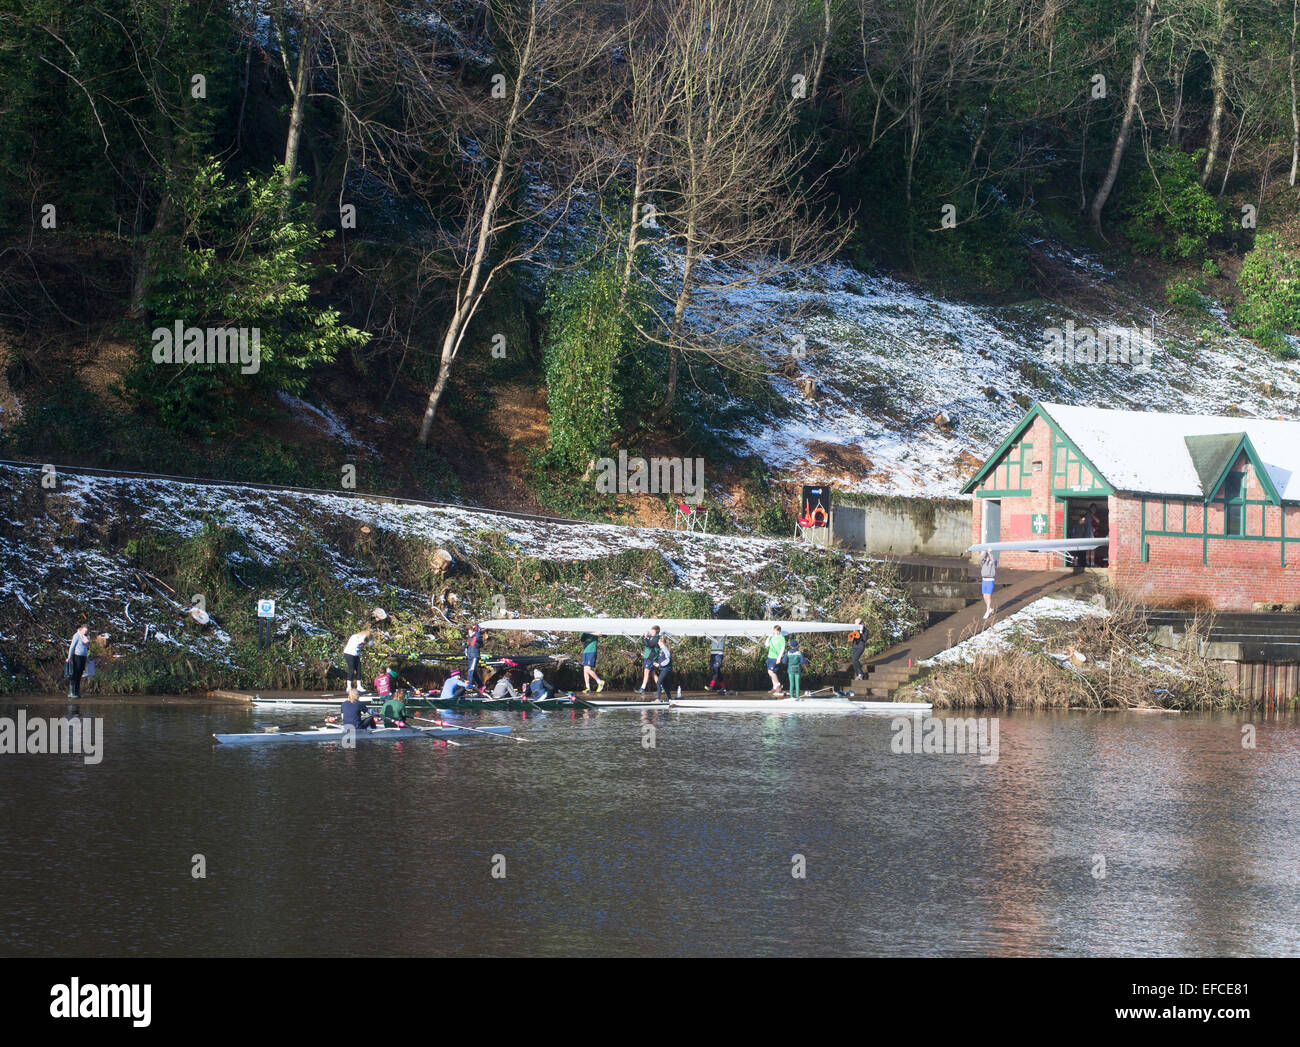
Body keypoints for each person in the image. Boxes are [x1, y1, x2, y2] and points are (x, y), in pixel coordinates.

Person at [66, 624, 90, 699]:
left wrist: (87, 657)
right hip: (77, 656)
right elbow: (72, 646)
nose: (85, 632)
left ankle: (77, 691)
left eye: (86, 631)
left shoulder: (86, 637)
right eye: (84, 631)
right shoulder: (77, 635)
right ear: (81, 629)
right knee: (75, 673)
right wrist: (69, 657)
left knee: (80, 674)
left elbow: (86, 648)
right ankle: (71, 692)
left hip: (83, 656)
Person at [638, 626, 661, 693]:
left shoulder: (656, 638)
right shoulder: (651, 637)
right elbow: (645, 643)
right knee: (653, 674)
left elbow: (650, 645)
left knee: (646, 672)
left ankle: (642, 688)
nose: (651, 632)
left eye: (652, 631)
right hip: (647, 657)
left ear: (656, 632)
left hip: (651, 658)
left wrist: (646, 637)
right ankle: (661, 688)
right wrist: (646, 637)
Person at [765, 625, 787, 694]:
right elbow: (766, 645)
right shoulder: (772, 637)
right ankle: (774, 687)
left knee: (770, 672)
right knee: (772, 673)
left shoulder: (782, 638)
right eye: (775, 631)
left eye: (777, 631)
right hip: (770, 657)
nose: (776, 632)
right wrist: (769, 637)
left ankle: (778, 684)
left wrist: (779, 658)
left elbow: (782, 649)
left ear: (779, 631)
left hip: (775, 658)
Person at [980, 550, 997, 619]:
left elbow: (993, 559)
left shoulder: (992, 563)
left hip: (990, 580)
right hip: (984, 580)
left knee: (988, 596)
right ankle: (989, 608)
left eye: (987, 556)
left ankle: (987, 611)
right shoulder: (983, 563)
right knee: (984, 596)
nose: (987, 557)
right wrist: (984, 552)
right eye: (986, 556)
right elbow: (980, 559)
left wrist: (990, 553)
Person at [465, 622, 483, 687]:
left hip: (475, 656)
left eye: (471, 632)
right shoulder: (470, 638)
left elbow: (478, 637)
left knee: (471, 671)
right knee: (473, 672)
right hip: (470, 656)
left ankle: (468, 685)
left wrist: (476, 630)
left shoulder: (477, 636)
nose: (469, 634)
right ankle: (481, 686)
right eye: (468, 632)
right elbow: (468, 647)